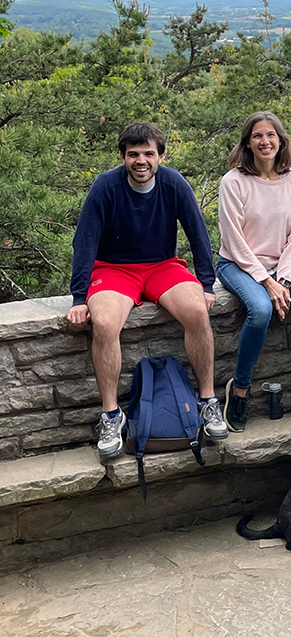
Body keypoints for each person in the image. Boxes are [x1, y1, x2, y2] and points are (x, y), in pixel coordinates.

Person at [67, 121, 227, 460]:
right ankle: (111, 416)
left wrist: (207, 283)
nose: (141, 161)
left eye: (148, 154)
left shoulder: (173, 183)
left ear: (161, 156)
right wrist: (80, 297)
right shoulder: (106, 187)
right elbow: (85, 242)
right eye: (134, 154)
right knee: (106, 323)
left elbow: (198, 232)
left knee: (197, 311)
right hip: (113, 269)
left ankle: (208, 401)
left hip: (162, 265)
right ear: (123, 157)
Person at [216, 111, 291, 432]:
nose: (264, 141)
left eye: (270, 135)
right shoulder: (233, 182)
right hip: (238, 263)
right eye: (257, 136)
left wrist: (284, 278)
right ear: (247, 143)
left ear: (281, 141)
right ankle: (239, 390)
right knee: (261, 309)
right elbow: (233, 240)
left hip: (286, 263)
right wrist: (267, 282)